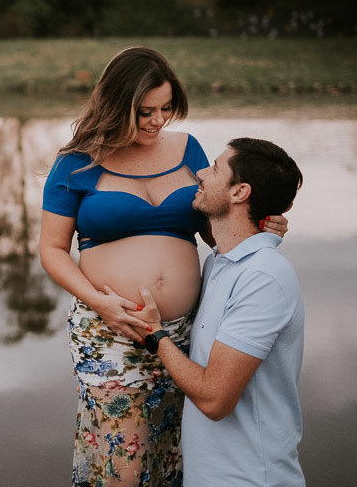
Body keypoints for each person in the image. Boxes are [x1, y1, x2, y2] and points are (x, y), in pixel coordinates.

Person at [39, 46, 287, 487]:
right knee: (125, 467)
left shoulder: (188, 149)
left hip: (185, 333)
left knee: (174, 454)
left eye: (166, 109)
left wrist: (258, 223)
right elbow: (53, 250)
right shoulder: (76, 163)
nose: (158, 121)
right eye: (145, 111)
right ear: (117, 105)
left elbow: (216, 227)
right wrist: (103, 304)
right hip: (112, 329)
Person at [130, 138, 305, 486]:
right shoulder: (220, 263)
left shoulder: (263, 277)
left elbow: (214, 399)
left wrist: (156, 335)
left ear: (239, 192)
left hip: (251, 477)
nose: (200, 173)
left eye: (214, 167)